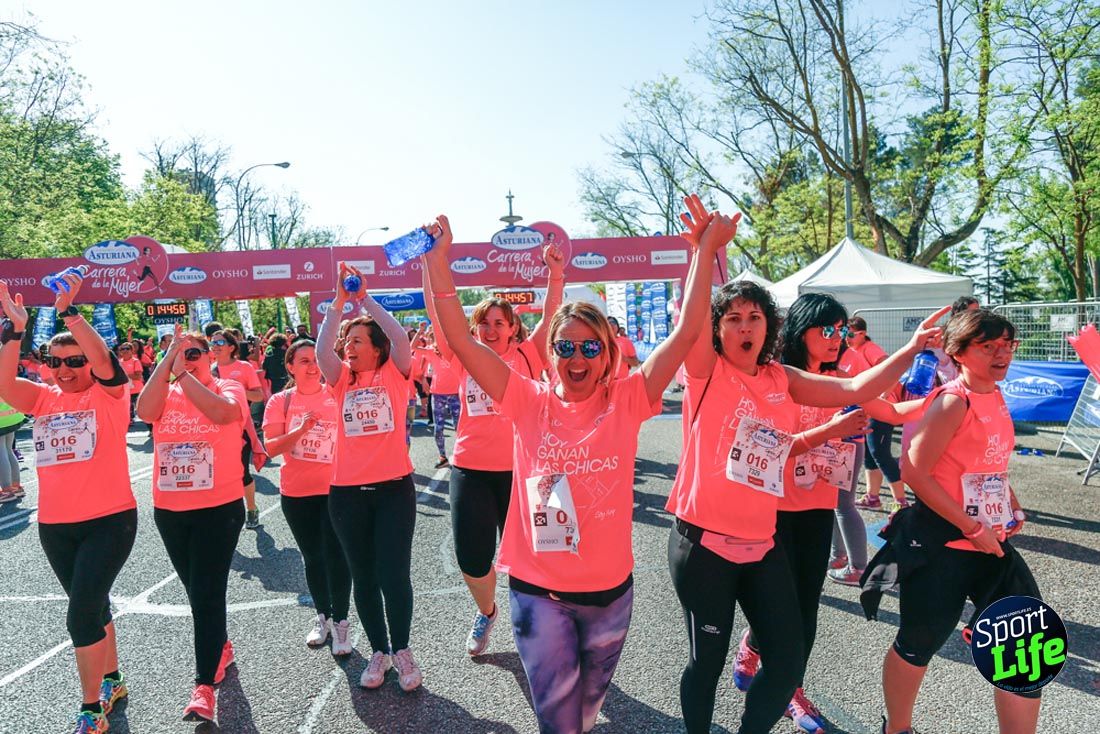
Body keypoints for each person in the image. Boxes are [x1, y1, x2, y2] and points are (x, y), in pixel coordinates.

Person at [424, 200, 733, 733]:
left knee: (585, 713)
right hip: (536, 591)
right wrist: (438, 261)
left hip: (610, 597)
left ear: (607, 353)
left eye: (591, 346)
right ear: (552, 351)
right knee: (559, 723)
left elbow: (685, 334)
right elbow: (459, 339)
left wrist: (704, 253)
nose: (577, 357)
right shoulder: (524, 399)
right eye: (565, 345)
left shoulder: (629, 399)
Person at [666, 210, 948, 734]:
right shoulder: (705, 372)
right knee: (704, 664)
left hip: (761, 541)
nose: (745, 326)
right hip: (703, 544)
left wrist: (911, 350)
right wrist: (704, 252)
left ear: (770, 327)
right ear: (718, 329)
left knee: (790, 658)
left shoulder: (781, 377)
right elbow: (688, 327)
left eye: (755, 317)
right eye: (732, 318)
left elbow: (853, 392)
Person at [732, 294, 931, 734]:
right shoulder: (776, 377)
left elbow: (895, 410)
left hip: (818, 510)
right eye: (827, 330)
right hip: (771, 511)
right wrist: (831, 429)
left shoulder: (847, 377)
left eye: (842, 330)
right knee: (774, 609)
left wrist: (948, 394)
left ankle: (790, 689)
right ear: (800, 330)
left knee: (805, 611)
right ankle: (756, 645)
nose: (837, 339)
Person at [873, 309, 1040, 734]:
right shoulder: (953, 400)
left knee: (1026, 646)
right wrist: (972, 528)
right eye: (989, 346)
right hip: (941, 543)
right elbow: (913, 472)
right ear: (959, 352)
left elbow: (991, 465)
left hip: (990, 541)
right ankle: (898, 728)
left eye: (1008, 344)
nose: (1002, 353)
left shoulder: (995, 393)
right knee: (919, 642)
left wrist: (1010, 503)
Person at [0, 275, 136, 734]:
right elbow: (3, 382)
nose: (65, 369)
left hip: (110, 521)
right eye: (55, 361)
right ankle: (113, 680)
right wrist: (15, 331)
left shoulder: (109, 395)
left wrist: (68, 313)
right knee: (94, 609)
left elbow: (103, 359)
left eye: (74, 361)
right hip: (56, 525)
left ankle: (90, 708)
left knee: (79, 615)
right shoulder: (41, 399)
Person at [422, 237, 561, 656]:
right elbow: (439, 313)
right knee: (472, 557)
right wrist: (433, 263)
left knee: (546, 552)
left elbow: (553, 313)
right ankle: (487, 610)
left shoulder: (530, 353)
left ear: (514, 328)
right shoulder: (466, 353)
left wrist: (555, 272)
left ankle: (547, 625)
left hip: (531, 469)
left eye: (500, 323)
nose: (491, 330)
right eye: (484, 323)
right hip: (472, 468)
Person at [136, 325, 256, 724]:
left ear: (208, 358)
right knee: (197, 593)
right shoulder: (166, 392)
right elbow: (143, 412)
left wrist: (184, 374)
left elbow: (225, 415)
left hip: (218, 509)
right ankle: (219, 645)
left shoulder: (229, 387)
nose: (185, 360)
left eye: (193, 354)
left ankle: (204, 687)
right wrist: (167, 363)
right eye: (178, 354)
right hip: (170, 510)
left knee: (205, 593)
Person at [316, 262, 423, 692]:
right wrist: (338, 305)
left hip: (394, 490)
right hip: (346, 494)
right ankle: (378, 651)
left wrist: (365, 301)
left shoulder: (395, 373)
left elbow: (398, 336)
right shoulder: (341, 380)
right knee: (364, 576)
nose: (348, 347)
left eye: (357, 341)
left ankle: (403, 650)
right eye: (348, 341)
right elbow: (324, 348)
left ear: (376, 349)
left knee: (394, 575)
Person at [262, 340, 354, 653]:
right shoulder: (281, 401)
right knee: (313, 557)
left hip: (336, 489)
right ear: (290, 367)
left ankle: (342, 623)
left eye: (316, 360)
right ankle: (323, 617)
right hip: (297, 492)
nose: (312, 367)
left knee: (337, 556)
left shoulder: (336, 393)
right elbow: (270, 448)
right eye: (303, 361)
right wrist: (301, 431)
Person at [847, 318, 908, 513]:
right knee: (870, 455)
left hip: (881, 407)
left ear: (862, 334)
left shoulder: (870, 349)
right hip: (867, 406)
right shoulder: (854, 351)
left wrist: (882, 394)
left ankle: (901, 502)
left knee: (881, 454)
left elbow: (893, 369)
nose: (846, 339)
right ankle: (873, 497)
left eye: (849, 335)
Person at [211, 329, 266, 529]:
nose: (215, 347)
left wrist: (237, 391)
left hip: (240, 426)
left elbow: (259, 396)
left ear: (232, 347)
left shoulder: (244, 367)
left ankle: (251, 509)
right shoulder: (210, 369)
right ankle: (224, 513)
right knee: (215, 473)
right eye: (212, 344)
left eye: (219, 343)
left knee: (241, 471)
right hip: (214, 429)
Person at [417, 333, 461, 468]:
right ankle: (442, 456)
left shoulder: (456, 351)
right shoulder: (431, 351)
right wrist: (420, 332)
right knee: (439, 428)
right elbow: (413, 347)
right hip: (438, 394)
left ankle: (461, 454)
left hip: (455, 394)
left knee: (459, 427)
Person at [0, 397, 24, 503]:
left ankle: (6, 490)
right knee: (8, 449)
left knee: (1, 451)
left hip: (2, 419)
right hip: (11, 414)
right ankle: (16, 487)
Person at [117, 342, 144, 423]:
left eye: (127, 349)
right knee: (124, 411)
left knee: (142, 410)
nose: (125, 351)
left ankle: (151, 428)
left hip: (137, 390)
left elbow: (138, 376)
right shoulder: (118, 362)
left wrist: (124, 375)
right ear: (120, 351)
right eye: (122, 349)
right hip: (124, 390)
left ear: (132, 351)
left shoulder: (135, 361)